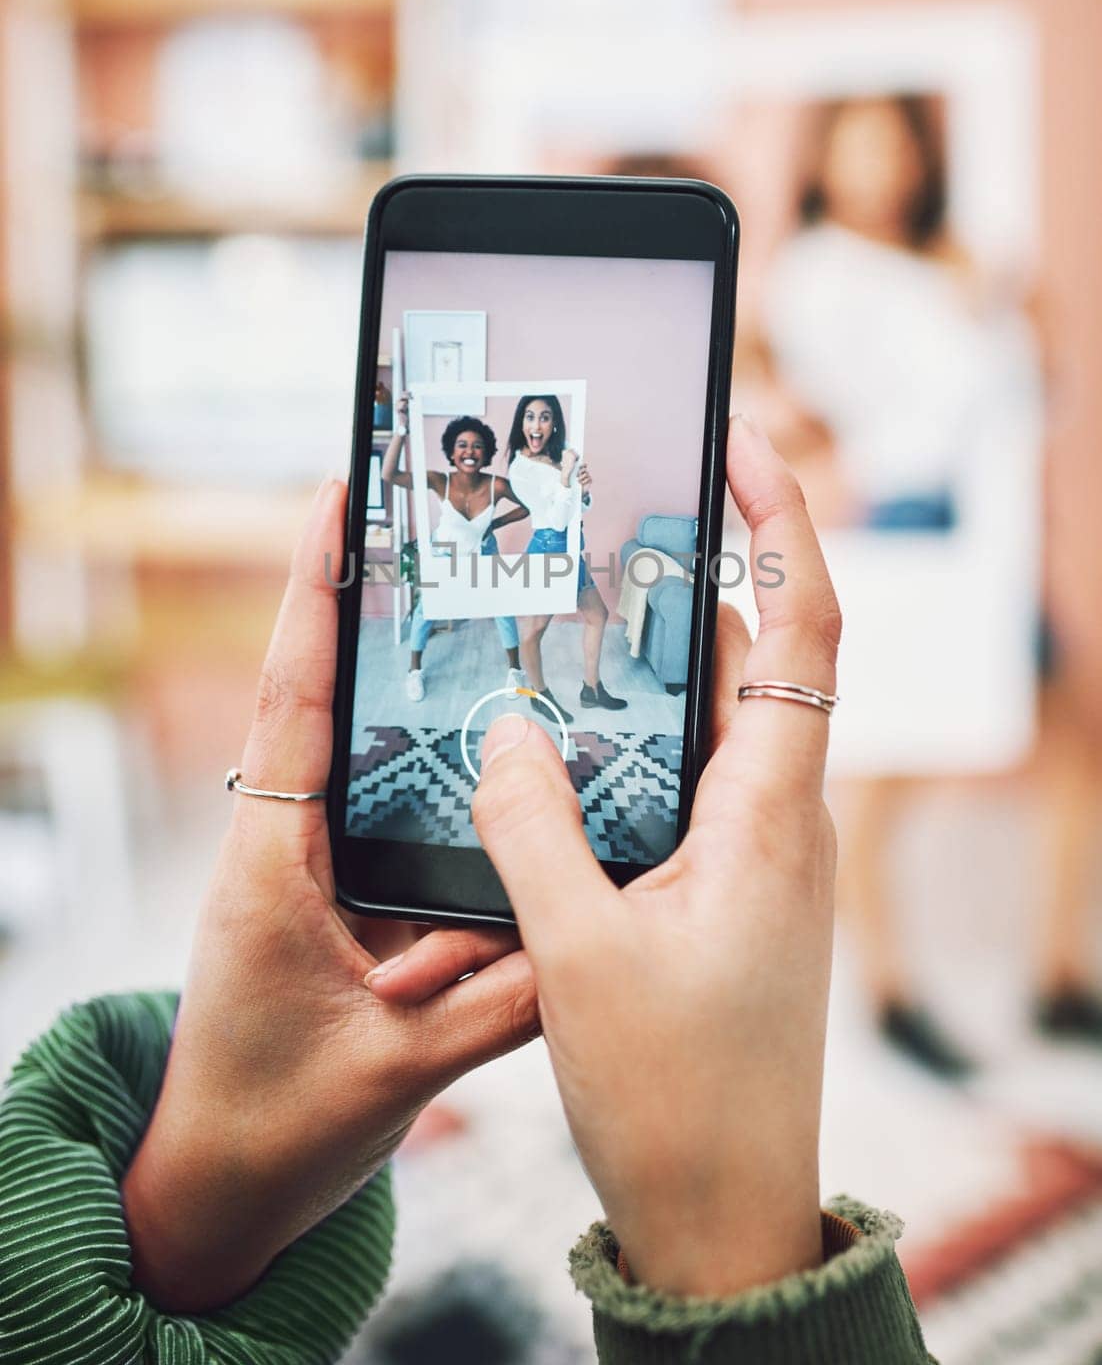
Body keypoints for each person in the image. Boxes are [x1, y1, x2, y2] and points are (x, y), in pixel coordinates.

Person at [0, 419, 936, 1363]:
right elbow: (450, 540)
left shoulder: (516, 475)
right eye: (488, 438)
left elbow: (528, 525)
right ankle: (498, 669)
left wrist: (188, 1221)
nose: (499, 444)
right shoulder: (447, 486)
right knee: (511, 612)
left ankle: (554, 673)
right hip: (473, 581)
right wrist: (743, 1248)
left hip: (523, 569)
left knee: (571, 600)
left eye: (517, 432)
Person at [762, 95, 1102, 1075]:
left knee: (1070, 736)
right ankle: (890, 989)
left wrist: (1023, 326)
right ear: (822, 159)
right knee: (892, 763)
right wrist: (977, 316)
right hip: (914, 524)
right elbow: (907, 415)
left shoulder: (950, 262)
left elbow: (1031, 399)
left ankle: (1053, 972)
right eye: (857, 143)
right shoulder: (819, 272)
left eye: (896, 142)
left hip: (990, 531)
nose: (880, 165)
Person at [382, 393, 528, 701]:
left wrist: (497, 524)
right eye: (462, 445)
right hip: (444, 554)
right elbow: (389, 475)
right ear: (452, 451)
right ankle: (414, 671)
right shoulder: (439, 481)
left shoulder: (496, 485)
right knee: (426, 611)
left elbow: (529, 507)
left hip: (483, 554)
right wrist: (402, 426)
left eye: (477, 445)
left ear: (486, 451)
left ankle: (515, 670)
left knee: (503, 608)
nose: (470, 451)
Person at [506, 393, 626, 725]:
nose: (536, 424)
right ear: (521, 423)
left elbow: (577, 510)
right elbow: (555, 520)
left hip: (572, 543)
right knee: (533, 630)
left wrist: (584, 490)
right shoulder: (520, 468)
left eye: (544, 417)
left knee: (598, 615)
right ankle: (539, 694)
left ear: (554, 422)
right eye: (530, 417)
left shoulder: (561, 454)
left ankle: (591, 688)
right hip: (548, 547)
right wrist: (564, 478)